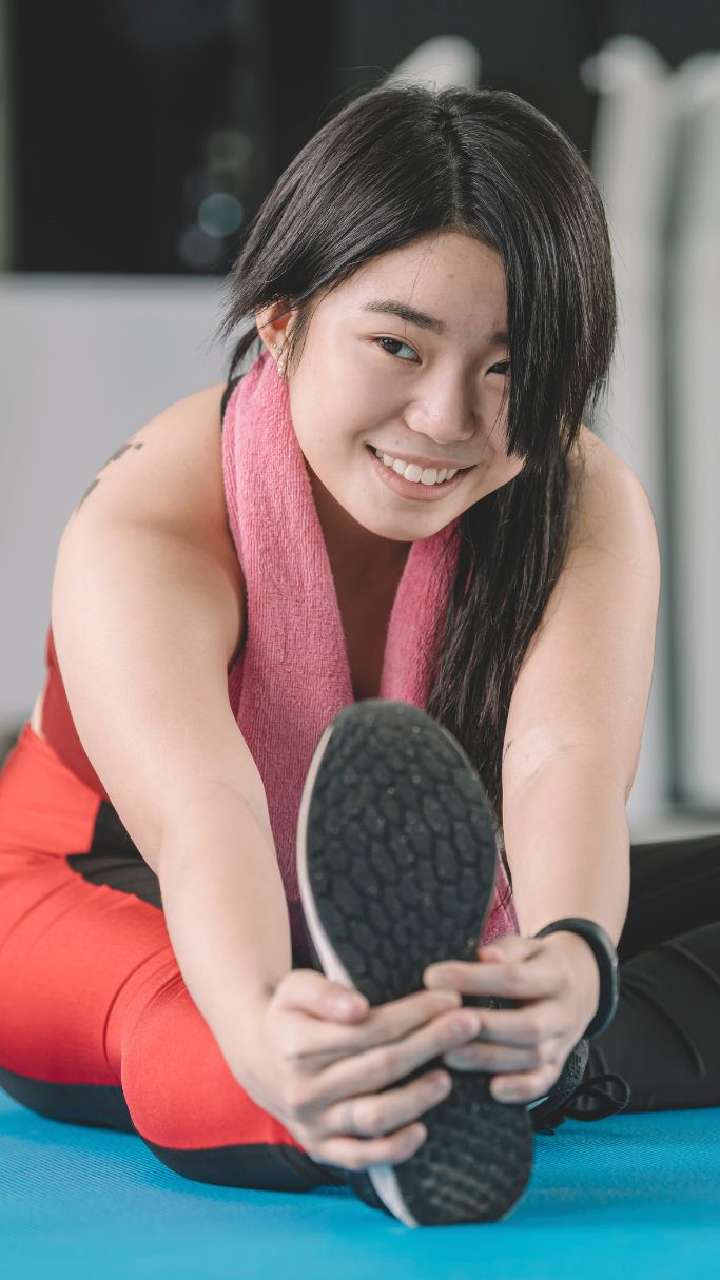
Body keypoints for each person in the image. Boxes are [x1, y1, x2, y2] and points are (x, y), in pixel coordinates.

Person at [0, 82, 718, 1225]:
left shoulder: (577, 495)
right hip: (104, 881)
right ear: (282, 317)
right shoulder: (151, 518)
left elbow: (561, 762)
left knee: (574, 968)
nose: (447, 418)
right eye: (397, 345)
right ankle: (381, 1108)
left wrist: (571, 963)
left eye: (509, 366)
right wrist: (265, 1025)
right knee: (201, 1015)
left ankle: (518, 1059)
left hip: (416, 895)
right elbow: (205, 819)